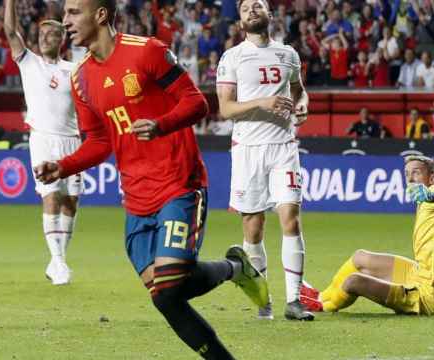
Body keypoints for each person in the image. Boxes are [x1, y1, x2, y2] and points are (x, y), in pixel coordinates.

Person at [36, 1, 269, 358]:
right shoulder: (80, 78)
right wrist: (63, 166)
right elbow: (100, 141)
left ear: (100, 15)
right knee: (165, 297)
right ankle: (236, 270)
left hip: (180, 184)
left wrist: (161, 124)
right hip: (136, 199)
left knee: (171, 287)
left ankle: (235, 271)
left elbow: (197, 104)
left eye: (72, 12)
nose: (65, 21)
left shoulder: (147, 51)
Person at [216, 0, 314, 321]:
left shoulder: (288, 54)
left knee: (291, 218)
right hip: (248, 149)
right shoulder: (232, 57)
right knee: (253, 229)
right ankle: (263, 301)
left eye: (258, 5)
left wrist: (301, 104)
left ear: (270, 14)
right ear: (241, 20)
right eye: (245, 8)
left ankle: (294, 301)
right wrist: (264, 101)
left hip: (283, 146)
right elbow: (226, 109)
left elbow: (300, 91)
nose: (252, 10)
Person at [300, 156, 434, 317]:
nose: (410, 178)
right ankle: (321, 296)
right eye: (407, 174)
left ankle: (323, 306)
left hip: (426, 296)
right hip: (417, 273)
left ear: (432, 178)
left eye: (416, 173)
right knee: (360, 257)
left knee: (353, 281)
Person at [4, 0, 81, 286]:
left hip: (72, 140)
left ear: (62, 39)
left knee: (71, 203)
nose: (45, 38)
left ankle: (57, 259)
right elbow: (10, 30)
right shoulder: (29, 62)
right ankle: (59, 262)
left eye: (52, 35)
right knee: (52, 196)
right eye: (41, 35)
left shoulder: (74, 70)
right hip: (43, 139)